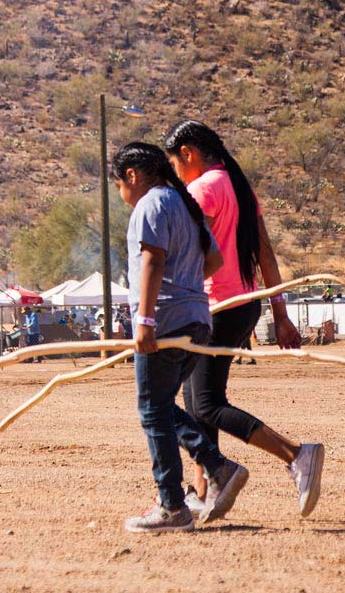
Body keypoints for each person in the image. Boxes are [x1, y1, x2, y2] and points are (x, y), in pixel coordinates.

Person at [164, 120, 327, 517]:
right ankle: (205, 488)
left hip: (214, 307)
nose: (176, 173)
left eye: (174, 164)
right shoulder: (239, 189)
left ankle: (295, 453)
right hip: (245, 302)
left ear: (188, 153)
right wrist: (280, 314)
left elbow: (180, 252)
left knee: (204, 403)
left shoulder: (202, 189)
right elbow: (266, 254)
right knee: (196, 397)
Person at [111, 141, 241, 534]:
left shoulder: (150, 204)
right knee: (162, 406)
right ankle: (218, 466)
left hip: (164, 321)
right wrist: (186, 286)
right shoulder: (185, 206)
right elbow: (214, 261)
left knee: (152, 410)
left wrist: (146, 320)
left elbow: (151, 259)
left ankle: (171, 505)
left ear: (131, 175)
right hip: (196, 319)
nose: (122, 195)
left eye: (119, 185)